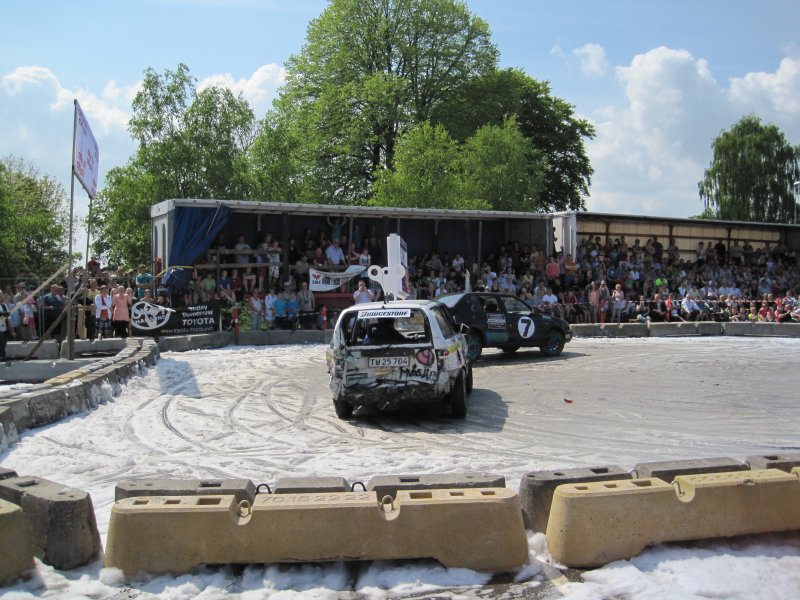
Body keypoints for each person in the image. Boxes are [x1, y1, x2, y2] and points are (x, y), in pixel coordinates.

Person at [0, 292, 9, 361]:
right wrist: (3, 314)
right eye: (1, 296)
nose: (2, 297)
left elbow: (8, 318)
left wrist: (12, 330)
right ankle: (2, 356)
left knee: (4, 344)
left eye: (2, 295)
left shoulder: (4, 306)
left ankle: (2, 356)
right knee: (1, 344)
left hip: (4, 328)